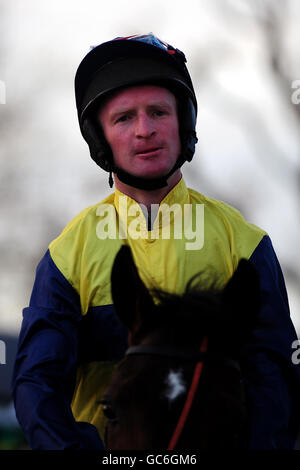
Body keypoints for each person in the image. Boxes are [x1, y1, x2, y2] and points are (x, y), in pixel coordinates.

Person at [12, 34, 300, 450]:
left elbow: (274, 380)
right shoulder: (66, 255)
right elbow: (36, 383)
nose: (144, 130)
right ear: (101, 139)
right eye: (124, 118)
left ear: (183, 124)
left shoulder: (245, 244)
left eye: (158, 112)